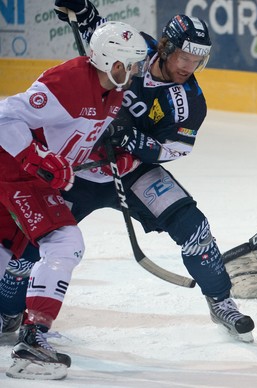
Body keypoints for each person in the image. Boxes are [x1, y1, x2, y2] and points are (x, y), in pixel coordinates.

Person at [1, 1, 254, 378]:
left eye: (196, 60)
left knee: (195, 228)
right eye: (184, 55)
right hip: (78, 168)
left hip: (132, 171)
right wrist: (81, 8)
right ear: (166, 47)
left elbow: (176, 149)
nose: (188, 66)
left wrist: (133, 147)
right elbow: (96, 31)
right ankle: (9, 312)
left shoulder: (189, 102)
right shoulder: (135, 51)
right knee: (27, 248)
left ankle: (221, 301)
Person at [0, 18, 147, 380]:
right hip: (16, 173)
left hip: (28, 178)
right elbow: (4, 117)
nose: (130, 72)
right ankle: (33, 340)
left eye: (133, 65)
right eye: (124, 65)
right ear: (104, 59)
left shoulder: (113, 93)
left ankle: (29, 334)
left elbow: (74, 143)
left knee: (5, 251)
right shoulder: (68, 81)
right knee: (65, 243)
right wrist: (38, 159)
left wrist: (108, 157)